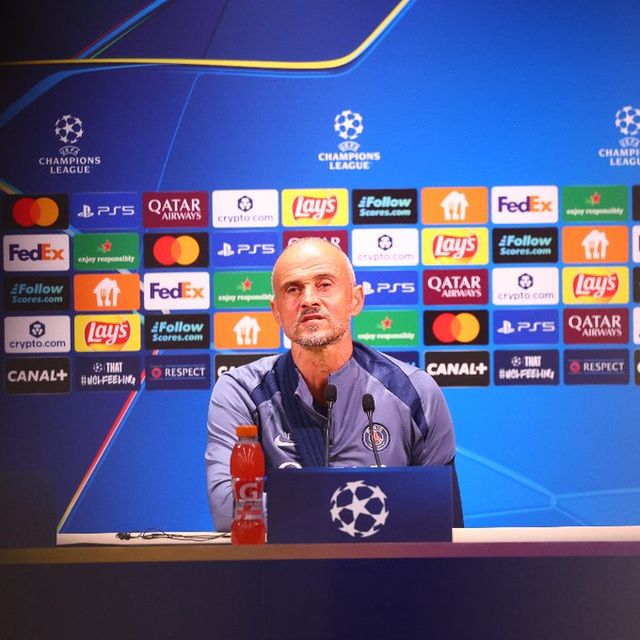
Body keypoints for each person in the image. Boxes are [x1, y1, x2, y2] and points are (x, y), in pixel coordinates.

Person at [205, 238, 463, 530]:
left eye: (324, 284)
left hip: (386, 561)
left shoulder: (414, 391)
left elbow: (441, 517)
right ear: (276, 311)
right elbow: (228, 509)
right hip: (285, 561)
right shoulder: (242, 392)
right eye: (293, 289)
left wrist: (300, 508)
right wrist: (366, 506)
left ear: (356, 300)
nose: (308, 299)